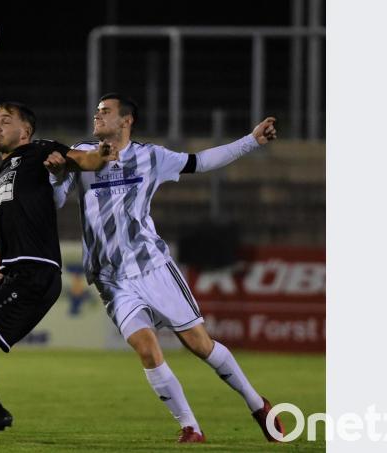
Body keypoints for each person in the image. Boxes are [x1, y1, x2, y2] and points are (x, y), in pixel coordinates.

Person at [45, 93, 284, 443]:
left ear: (126, 121)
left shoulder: (150, 157)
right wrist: (54, 176)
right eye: (96, 111)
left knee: (199, 344)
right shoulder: (79, 156)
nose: (97, 116)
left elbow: (200, 161)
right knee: (146, 347)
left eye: (105, 112)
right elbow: (56, 202)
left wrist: (251, 140)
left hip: (154, 268)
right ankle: (191, 427)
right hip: (111, 279)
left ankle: (257, 404)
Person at [0, 102, 117, 445]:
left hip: (36, 273)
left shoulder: (40, 151)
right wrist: (2, 264)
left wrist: (102, 154)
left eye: (6, 120)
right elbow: (23, 223)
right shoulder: (5, 172)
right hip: (13, 271)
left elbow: (85, 161)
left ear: (26, 131)